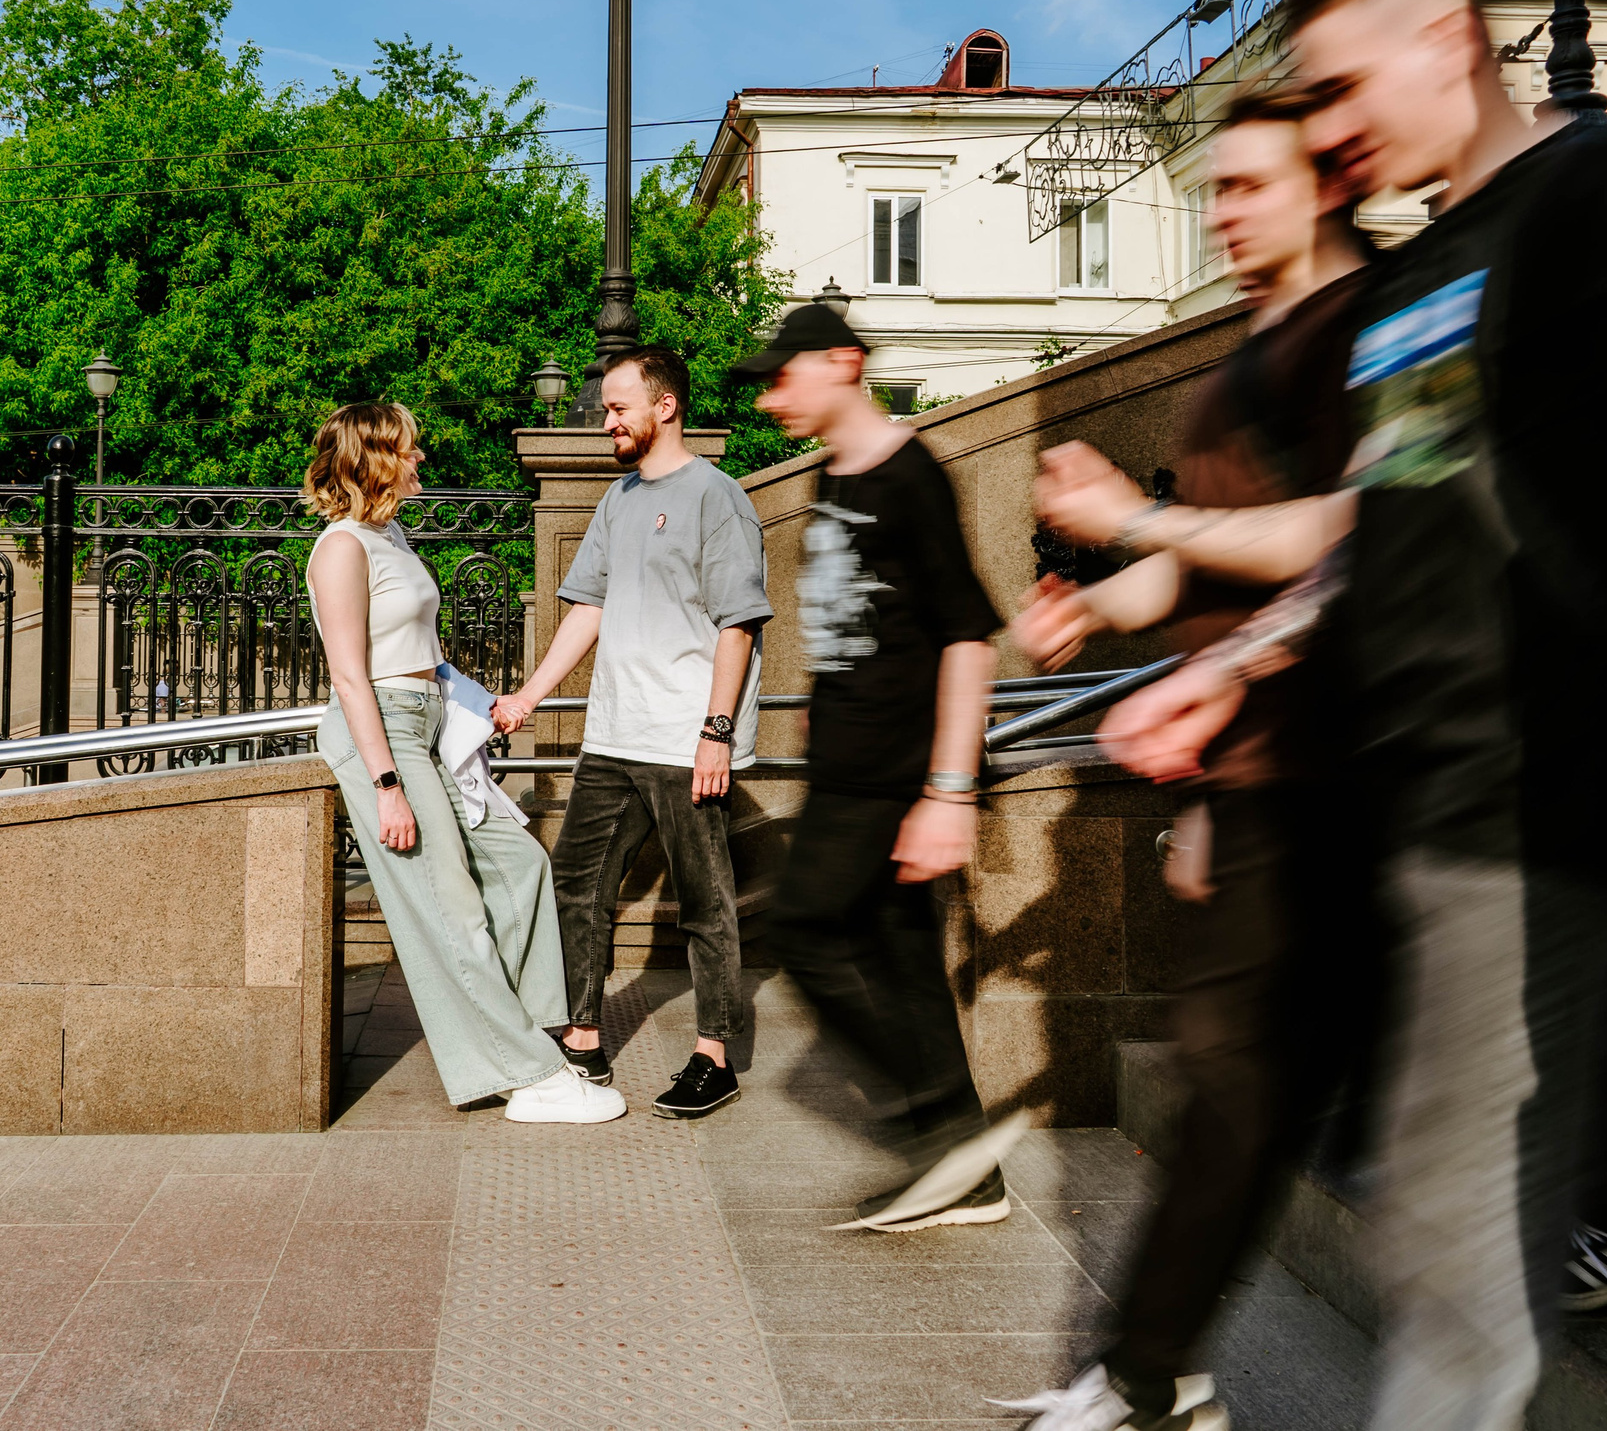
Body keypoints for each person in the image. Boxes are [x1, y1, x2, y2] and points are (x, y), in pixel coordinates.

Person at [1038, 0, 1607, 1431]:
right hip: (1417, 797)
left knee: (1459, 1252)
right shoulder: (1428, 275)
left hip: (1532, 790)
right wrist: (1237, 669)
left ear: (1450, 43)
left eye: (1342, 91)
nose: (1329, 132)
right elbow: (1391, 526)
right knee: (1486, 1184)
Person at [1000, 85, 1379, 1431]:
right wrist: (1096, 599)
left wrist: (1120, 518)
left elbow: (1351, 537)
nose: (1221, 211)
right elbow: (1193, 566)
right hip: (1257, 769)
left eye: (1248, 186)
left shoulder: (1367, 335)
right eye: (1211, 188)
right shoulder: (1230, 370)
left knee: (1254, 1080)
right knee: (1242, 1084)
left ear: (1326, 185)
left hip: (1360, 763)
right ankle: (1148, 1365)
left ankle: (1144, 1366)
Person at [733, 302, 1026, 1234]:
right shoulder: (830, 475)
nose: (774, 394)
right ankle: (969, 1174)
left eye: (787, 375)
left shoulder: (911, 475)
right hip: (847, 758)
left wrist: (949, 792)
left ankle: (924, 1127)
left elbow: (968, 637)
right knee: (904, 963)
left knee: (802, 926)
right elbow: (849, 617)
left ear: (843, 362)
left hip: (896, 771)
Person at [304, 401, 625, 1125]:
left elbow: (425, 653)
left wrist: (477, 706)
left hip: (427, 721)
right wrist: (388, 785)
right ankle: (527, 1076)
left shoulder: (392, 536)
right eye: (410, 450)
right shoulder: (341, 548)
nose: (421, 459)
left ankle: (524, 1031)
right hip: (380, 731)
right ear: (375, 457)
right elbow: (351, 676)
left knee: (518, 866)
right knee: (451, 902)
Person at [492, 347, 773, 1119]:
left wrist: (716, 731)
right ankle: (582, 1039)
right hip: (614, 735)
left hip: (686, 739)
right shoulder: (617, 499)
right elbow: (588, 606)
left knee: (705, 901)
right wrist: (529, 694)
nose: (605, 421)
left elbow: (738, 622)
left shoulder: (719, 499)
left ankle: (714, 1055)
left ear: (666, 406)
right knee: (576, 884)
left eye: (618, 408)